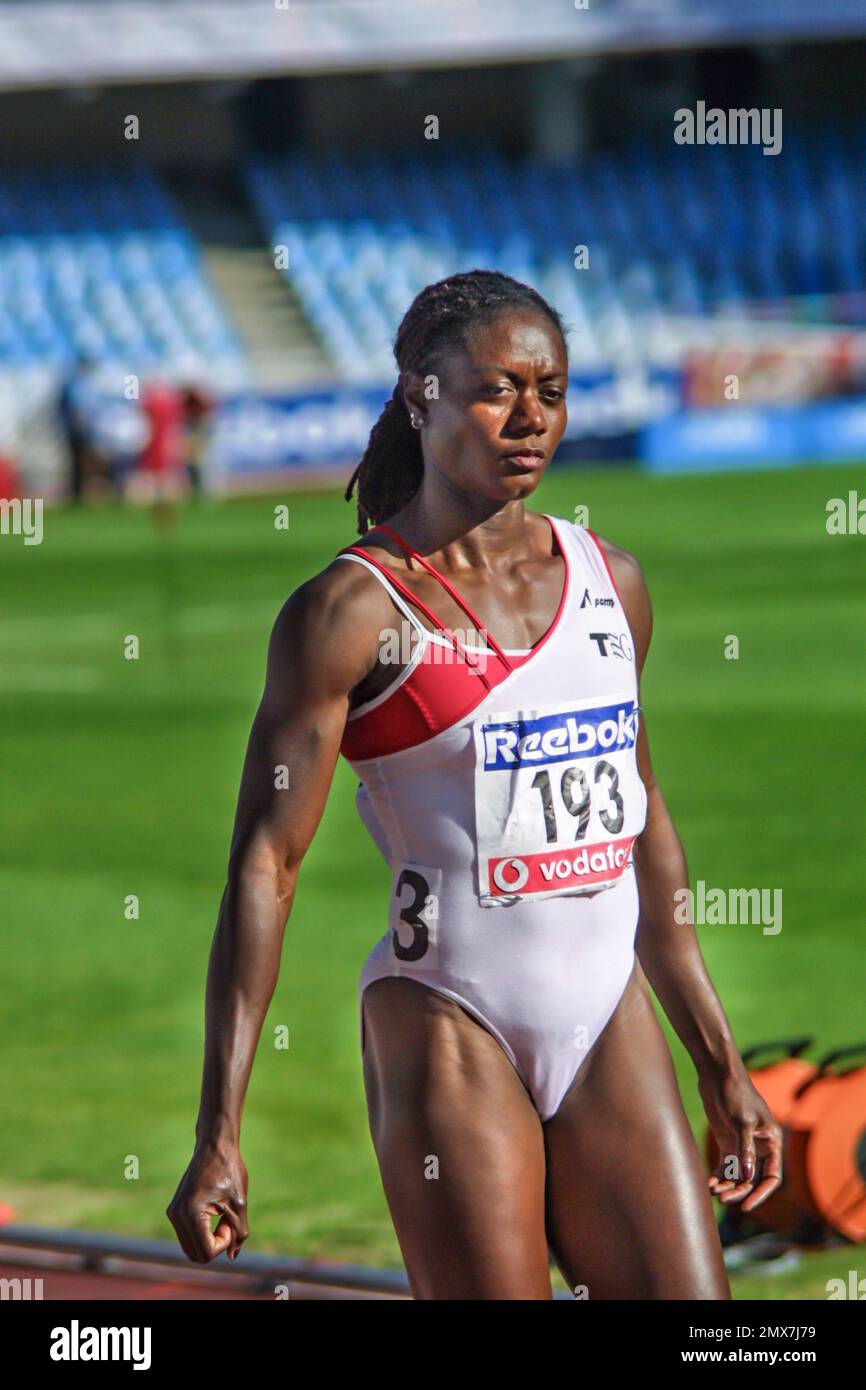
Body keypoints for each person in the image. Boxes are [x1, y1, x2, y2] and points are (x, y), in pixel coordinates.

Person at [167, 269, 782, 1299]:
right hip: (448, 1014)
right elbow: (265, 866)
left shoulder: (608, 581)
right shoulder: (350, 612)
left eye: (551, 390)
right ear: (423, 395)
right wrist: (217, 1128)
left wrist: (719, 1060)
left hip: (604, 1014)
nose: (529, 417)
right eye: (497, 388)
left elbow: (638, 819)